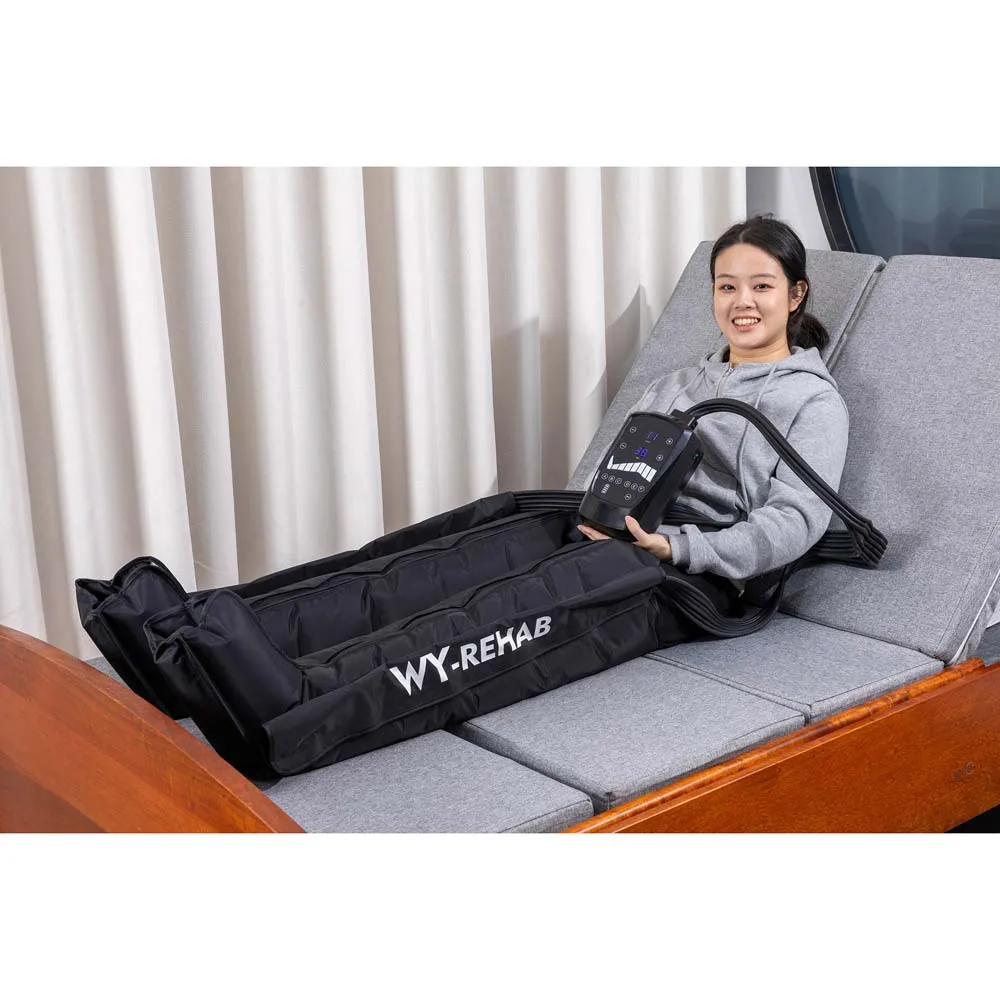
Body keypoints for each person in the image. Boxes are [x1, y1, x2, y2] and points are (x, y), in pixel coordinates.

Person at [578, 215, 850, 591]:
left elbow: (796, 519)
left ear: (795, 294)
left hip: (693, 575)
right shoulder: (670, 386)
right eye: (727, 287)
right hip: (601, 546)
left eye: (762, 286)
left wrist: (676, 548)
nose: (742, 301)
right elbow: (600, 477)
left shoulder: (813, 403)